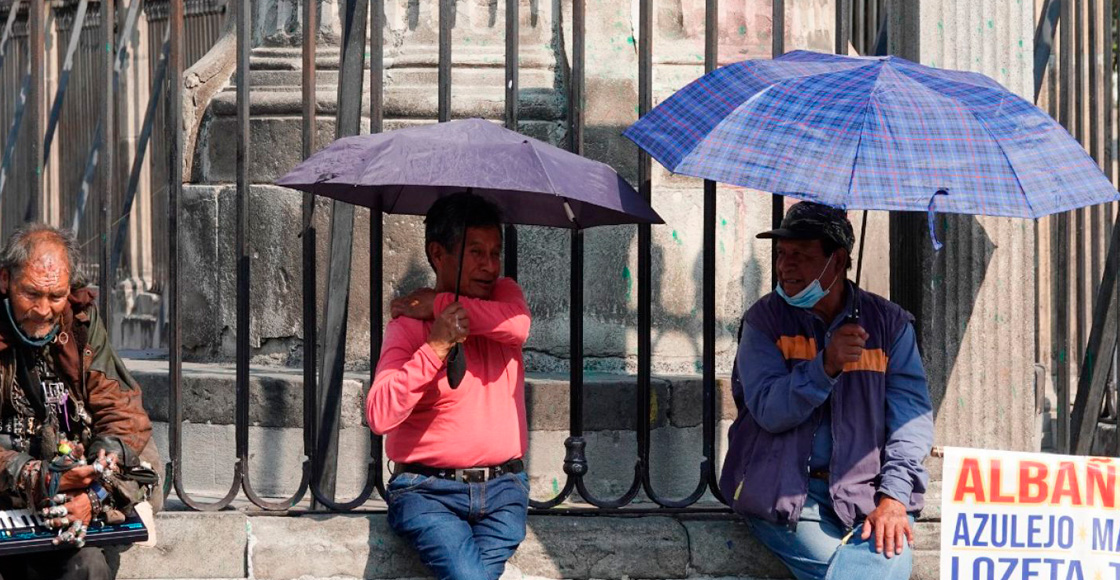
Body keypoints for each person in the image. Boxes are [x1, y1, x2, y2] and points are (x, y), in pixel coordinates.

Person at [719, 202, 934, 580]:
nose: (785, 266)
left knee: (888, 552)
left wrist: (894, 497)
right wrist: (825, 366)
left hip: (865, 494)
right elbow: (769, 409)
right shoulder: (764, 320)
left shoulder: (890, 325)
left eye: (801, 256)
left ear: (837, 261)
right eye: (782, 255)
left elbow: (911, 421)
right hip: (783, 496)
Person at [367, 192, 531, 580]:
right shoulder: (408, 326)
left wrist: (440, 304)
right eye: (476, 252)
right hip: (427, 493)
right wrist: (436, 347)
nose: (490, 266)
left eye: (495, 252)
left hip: (504, 493)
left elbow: (518, 326)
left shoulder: (504, 298)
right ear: (438, 254)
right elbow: (380, 414)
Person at [0, 224, 160, 580]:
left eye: (55, 296)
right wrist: (34, 476)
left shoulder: (81, 324)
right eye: (31, 294)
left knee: (87, 567)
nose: (43, 310)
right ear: (5, 281)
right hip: (8, 495)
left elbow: (122, 414)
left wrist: (96, 487)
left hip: (70, 498)